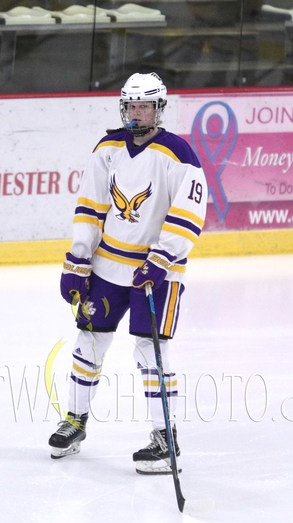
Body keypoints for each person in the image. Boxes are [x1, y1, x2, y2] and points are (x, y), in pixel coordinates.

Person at [48, 72, 207, 475]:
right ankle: (75, 421)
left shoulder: (178, 155)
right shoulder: (108, 148)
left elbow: (188, 215)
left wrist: (161, 260)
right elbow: (90, 207)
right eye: (132, 106)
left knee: (151, 352)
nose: (138, 113)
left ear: (159, 108)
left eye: (145, 106)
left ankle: (163, 438)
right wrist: (78, 261)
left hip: (156, 274)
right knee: (88, 343)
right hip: (107, 269)